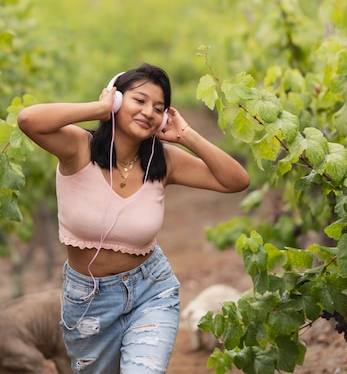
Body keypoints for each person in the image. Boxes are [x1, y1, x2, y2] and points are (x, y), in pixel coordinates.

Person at [17, 62, 249, 374]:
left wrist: (187, 135)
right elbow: (28, 120)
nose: (148, 112)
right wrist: (98, 108)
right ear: (116, 100)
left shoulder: (163, 161)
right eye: (139, 100)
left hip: (151, 290)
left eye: (159, 107)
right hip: (88, 301)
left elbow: (236, 180)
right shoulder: (77, 148)